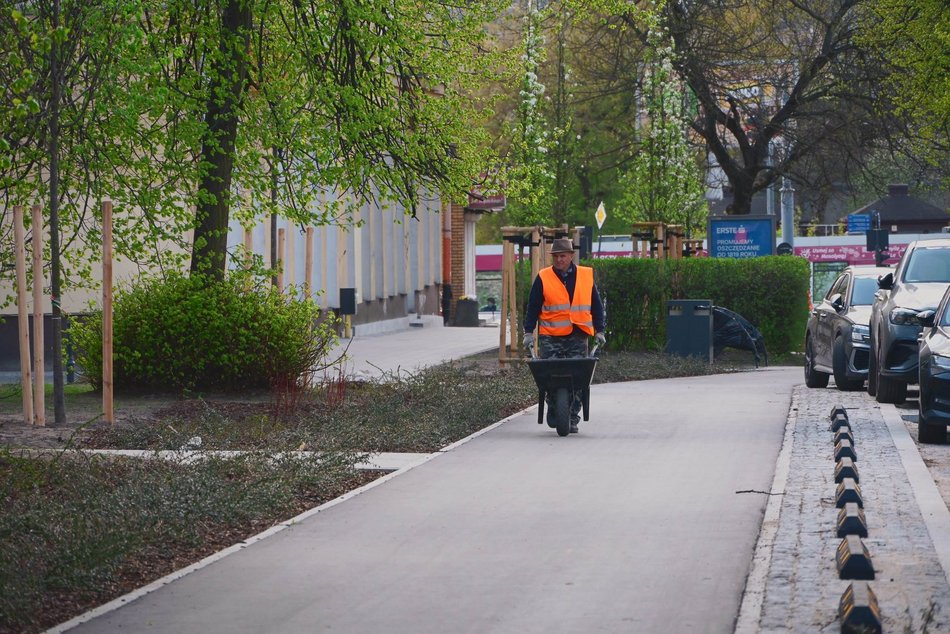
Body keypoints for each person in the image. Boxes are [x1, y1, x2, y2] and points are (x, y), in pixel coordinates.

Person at [523, 238, 606, 433]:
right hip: (551, 336)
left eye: (563, 256)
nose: (559, 260)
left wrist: (600, 330)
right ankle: (554, 406)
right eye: (556, 256)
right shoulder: (544, 277)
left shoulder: (585, 276)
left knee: (578, 379)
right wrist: (528, 332)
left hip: (578, 335)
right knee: (550, 377)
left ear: (571, 256)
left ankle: (573, 417)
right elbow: (533, 307)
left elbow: (596, 305)